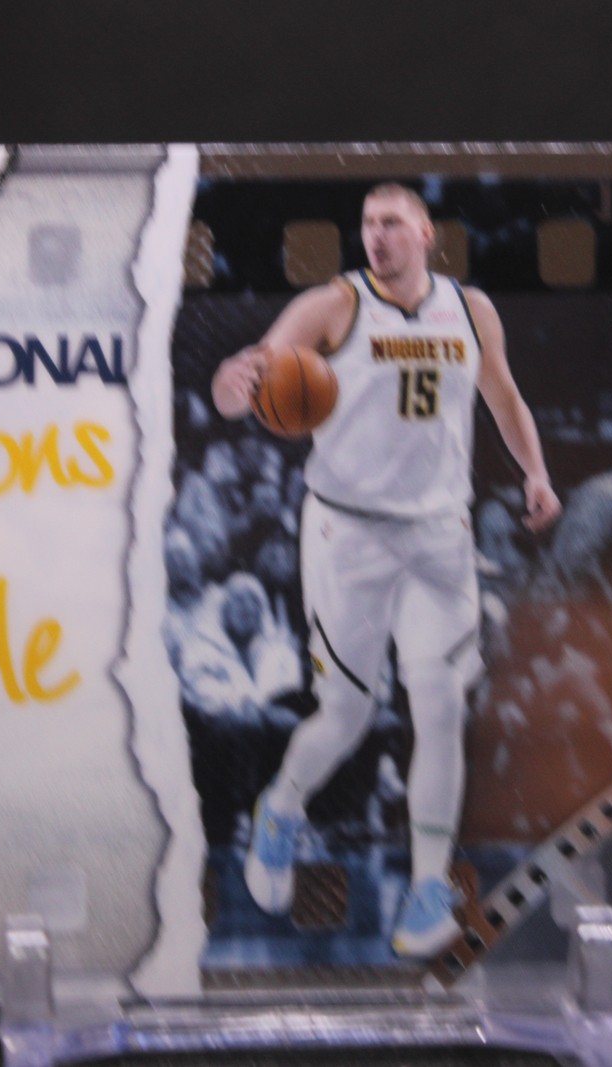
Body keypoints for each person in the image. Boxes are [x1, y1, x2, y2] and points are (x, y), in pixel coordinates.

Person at [210, 183, 561, 958]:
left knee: (439, 706)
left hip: (440, 535)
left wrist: (534, 471)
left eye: (392, 223)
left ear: (426, 232)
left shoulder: (470, 310)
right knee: (347, 714)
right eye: (368, 224)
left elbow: (504, 397)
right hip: (348, 533)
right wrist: (234, 386)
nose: (376, 235)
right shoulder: (334, 305)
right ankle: (281, 808)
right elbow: (247, 380)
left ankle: (429, 883)